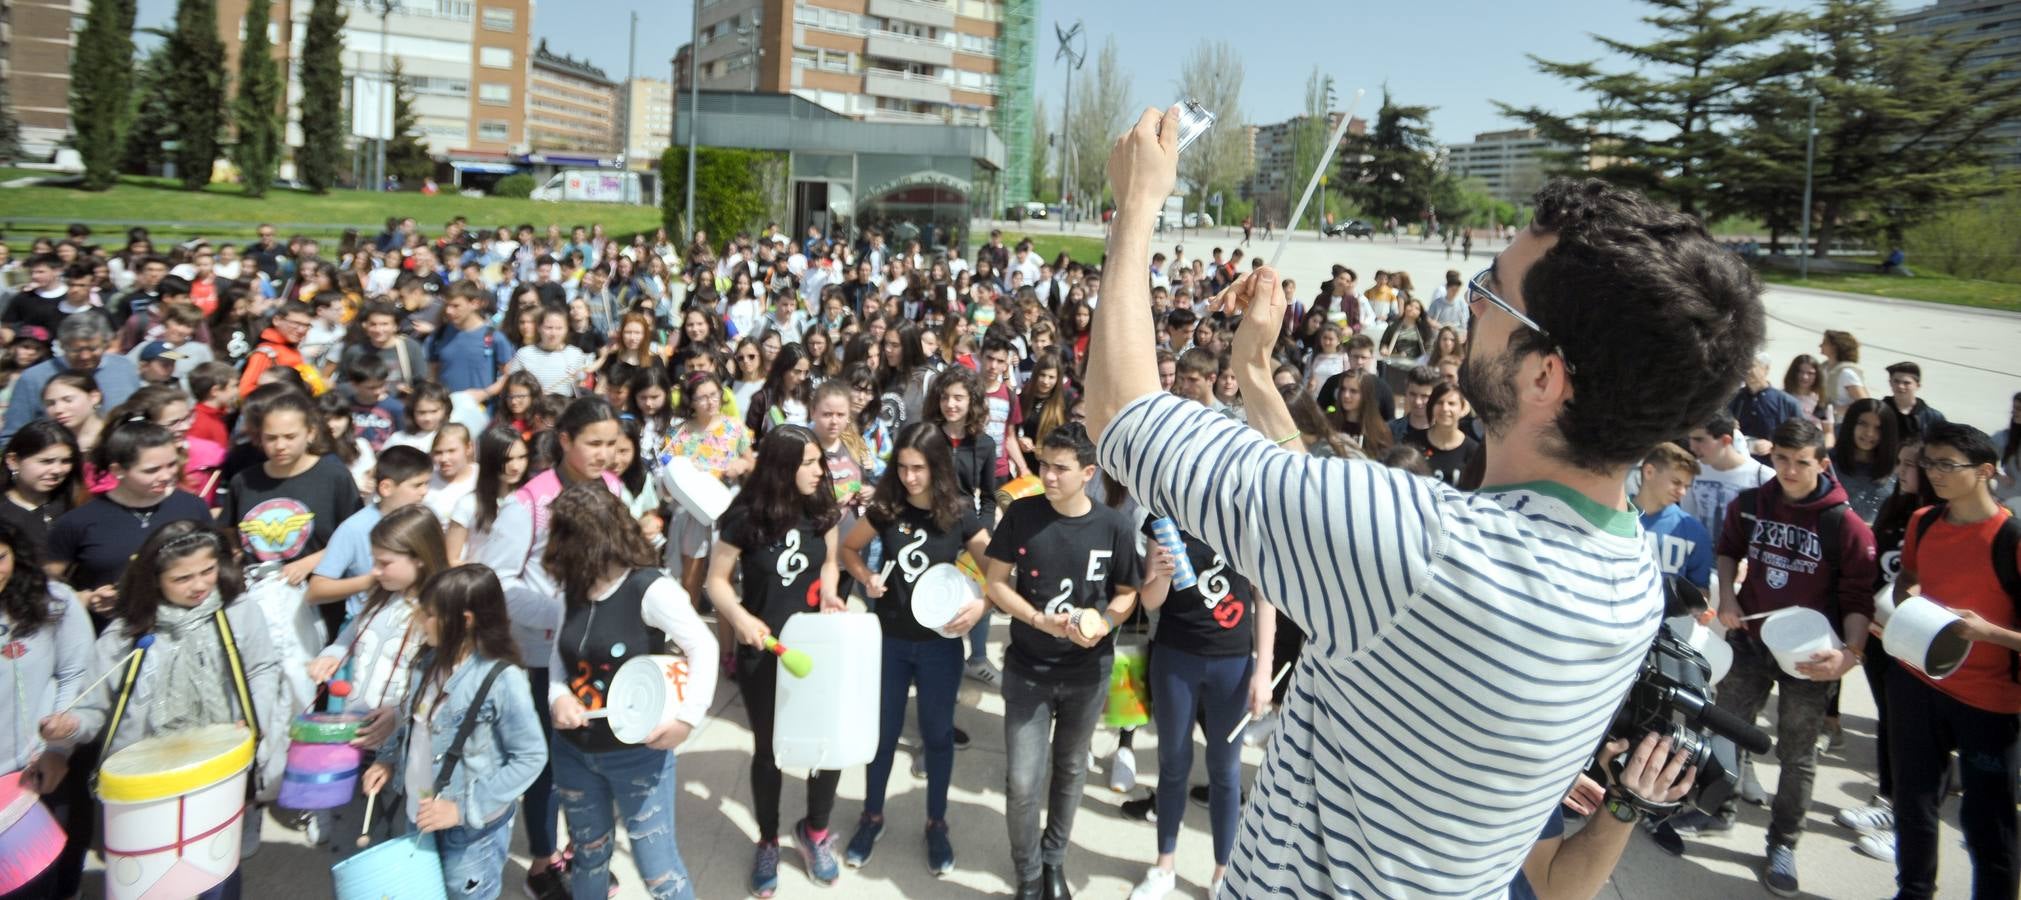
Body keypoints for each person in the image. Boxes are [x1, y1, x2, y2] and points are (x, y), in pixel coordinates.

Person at [1085, 108, 1763, 896]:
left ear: (1544, 376)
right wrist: (1257, 371)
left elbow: (1122, 415)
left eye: (1491, 295)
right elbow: (1333, 524)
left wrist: (1134, 208)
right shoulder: (1629, 577)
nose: (1471, 307)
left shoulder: (1424, 548)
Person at [39, 521, 290, 900]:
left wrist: (256, 718)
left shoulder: (239, 612)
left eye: (207, 571)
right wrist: (67, 729)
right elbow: (93, 709)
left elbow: (262, 668)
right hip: (146, 785)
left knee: (215, 871)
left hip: (216, 771)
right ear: (155, 579)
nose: (200, 585)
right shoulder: (125, 633)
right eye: (182, 577)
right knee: (148, 880)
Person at [1687, 418, 1877, 894]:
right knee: (1726, 728)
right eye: (1782, 460)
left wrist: (1849, 656)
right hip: (1750, 640)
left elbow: (1859, 599)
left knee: (1796, 755)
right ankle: (1716, 808)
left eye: (1802, 462)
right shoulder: (1751, 504)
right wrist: (1728, 597)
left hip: (1809, 656)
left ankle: (1783, 842)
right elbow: (1728, 551)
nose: (1789, 470)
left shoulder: (1843, 523)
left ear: (1823, 463)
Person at [983, 424, 1141, 900]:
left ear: (1088, 473)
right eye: (1044, 465)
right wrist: (1036, 618)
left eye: (1060, 469)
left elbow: (1127, 595)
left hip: (1087, 676)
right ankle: (1028, 872)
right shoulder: (1022, 514)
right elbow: (995, 583)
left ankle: (1054, 861)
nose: (1048, 476)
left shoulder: (1114, 525)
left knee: (1071, 770)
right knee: (1022, 782)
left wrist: (1104, 624)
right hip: (1027, 671)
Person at [546, 486, 716, 900]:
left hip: (636, 756)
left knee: (658, 872)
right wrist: (557, 697)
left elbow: (703, 645)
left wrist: (687, 719)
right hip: (573, 753)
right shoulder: (573, 587)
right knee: (588, 856)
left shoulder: (649, 588)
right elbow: (559, 658)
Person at [837, 423, 991, 875]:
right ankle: (871, 816)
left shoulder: (961, 512)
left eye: (918, 468)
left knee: (938, 737)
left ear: (938, 467)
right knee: (881, 737)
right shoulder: (887, 506)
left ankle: (936, 823)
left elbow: (998, 574)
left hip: (941, 647)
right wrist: (867, 579)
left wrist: (981, 605)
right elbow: (849, 548)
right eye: (902, 467)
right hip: (890, 642)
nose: (909, 477)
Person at [1882, 423, 2021, 899]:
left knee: (1988, 820)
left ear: (1986, 472)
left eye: (1947, 464)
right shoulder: (1922, 521)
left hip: (1990, 704)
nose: (1934, 473)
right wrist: (1910, 598)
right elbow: (1910, 581)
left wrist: (1988, 633)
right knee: (1913, 802)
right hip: (1917, 683)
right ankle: (1914, 891)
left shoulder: (2012, 539)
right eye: (1930, 463)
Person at [707, 425, 846, 896]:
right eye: (808, 462)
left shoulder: (822, 508)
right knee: (769, 751)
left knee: (826, 748)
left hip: (815, 651)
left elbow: (830, 562)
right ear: (782, 468)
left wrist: (829, 592)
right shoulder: (745, 517)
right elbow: (717, 582)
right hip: (764, 654)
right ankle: (768, 839)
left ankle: (816, 831)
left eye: (817, 461)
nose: (818, 469)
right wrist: (740, 619)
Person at [363, 565, 548, 900]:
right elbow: (412, 721)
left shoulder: (502, 679)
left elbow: (531, 756)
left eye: (430, 614)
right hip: (419, 815)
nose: (419, 619)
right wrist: (387, 760)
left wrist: (461, 808)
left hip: (471, 833)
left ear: (464, 621)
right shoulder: (427, 661)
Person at [1125, 505, 1276, 900]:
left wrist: (1263, 672)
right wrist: (1159, 573)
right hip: (1176, 656)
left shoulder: (1249, 517)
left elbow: (1266, 600)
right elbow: (1151, 601)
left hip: (1233, 662)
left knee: (1225, 771)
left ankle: (1223, 871)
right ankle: (1164, 866)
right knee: (1173, 763)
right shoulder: (1164, 517)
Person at [0, 517, 93, 900]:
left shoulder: (53, 600)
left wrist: (57, 750)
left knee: (32, 887)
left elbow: (76, 674)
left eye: (0, 557)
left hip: (30, 777)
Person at [223, 387, 364, 635]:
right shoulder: (243, 481)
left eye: (290, 437)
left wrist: (310, 562)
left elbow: (356, 537)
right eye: (271, 438)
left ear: (310, 433)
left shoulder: (333, 477)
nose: (280, 446)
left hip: (317, 605)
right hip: (259, 604)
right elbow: (230, 531)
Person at [47, 420, 210, 627]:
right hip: (114, 635)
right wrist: (86, 598)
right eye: (151, 470)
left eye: (171, 465)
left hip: (190, 628)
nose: (166, 476)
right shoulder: (79, 521)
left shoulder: (192, 506)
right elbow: (47, 585)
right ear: (117, 470)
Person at [2, 313, 140, 442]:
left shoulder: (123, 367)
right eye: (76, 350)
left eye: (92, 349)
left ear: (105, 344)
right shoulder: (34, 378)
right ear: (62, 346)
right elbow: (12, 436)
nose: (85, 356)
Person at [1636, 442, 1715, 593]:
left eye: (1686, 486)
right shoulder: (1612, 518)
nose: (1682, 492)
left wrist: (1700, 608)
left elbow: (1700, 589)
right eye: (1676, 482)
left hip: (1667, 617)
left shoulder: (1694, 531)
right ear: (1649, 472)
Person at [1682, 410, 1774, 539]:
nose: (1692, 446)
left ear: (1726, 440)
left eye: (1699, 440)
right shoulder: (1692, 471)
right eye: (1690, 439)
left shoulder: (1765, 477)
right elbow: (1688, 519)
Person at [444, 425, 529, 565]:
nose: (515, 466)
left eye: (522, 457)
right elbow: (451, 559)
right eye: (507, 459)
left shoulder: (532, 499)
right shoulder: (468, 504)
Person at [0, 420, 81, 554]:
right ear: (13, 461)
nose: (57, 470)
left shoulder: (77, 503)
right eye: (46, 461)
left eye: (66, 461)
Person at [1832, 397, 1902, 523]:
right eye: (1863, 424)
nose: (1869, 433)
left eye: (1878, 428)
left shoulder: (1897, 472)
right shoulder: (1827, 464)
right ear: (1850, 424)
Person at [1728, 351, 1805, 457]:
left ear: (1766, 369)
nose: (1747, 371)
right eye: (1744, 366)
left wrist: (1773, 445)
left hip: (1771, 464)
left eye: (1752, 366)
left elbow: (1799, 436)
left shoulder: (1786, 402)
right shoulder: (1733, 398)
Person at [1881, 361, 1946, 443]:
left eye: (1906, 383)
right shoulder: (1879, 411)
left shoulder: (1933, 418)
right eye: (1896, 381)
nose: (1900, 386)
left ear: (1918, 386)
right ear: (1890, 383)